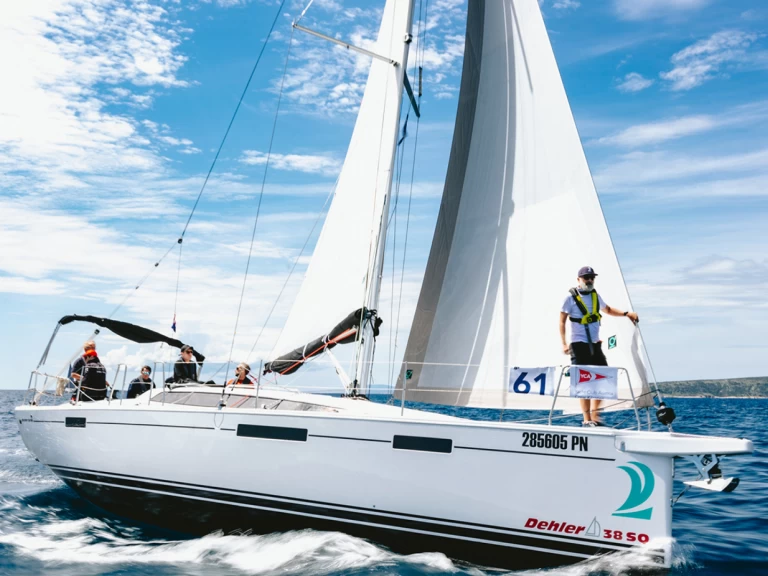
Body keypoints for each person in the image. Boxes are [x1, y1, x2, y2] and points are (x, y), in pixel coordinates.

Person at [559, 266, 639, 427]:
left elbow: (608, 310)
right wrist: (564, 343)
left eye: (591, 278)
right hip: (578, 344)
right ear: (579, 280)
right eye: (586, 278)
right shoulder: (570, 299)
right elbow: (561, 321)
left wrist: (626, 314)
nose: (589, 280)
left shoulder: (596, 296)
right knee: (583, 383)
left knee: (603, 379)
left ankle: (595, 417)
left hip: (595, 345)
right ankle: (586, 419)